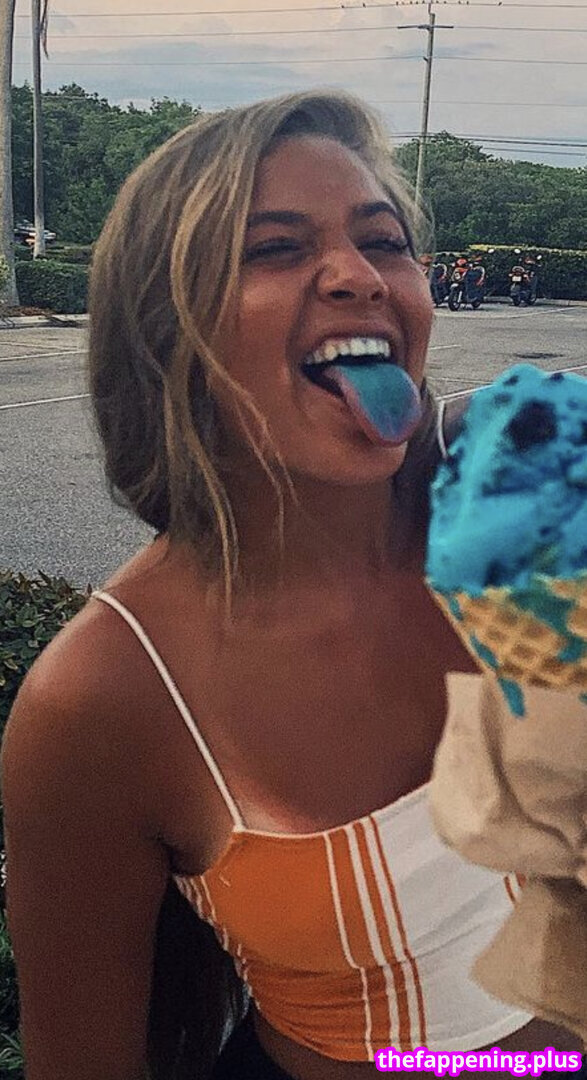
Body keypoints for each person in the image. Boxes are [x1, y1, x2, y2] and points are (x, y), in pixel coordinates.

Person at [1, 90, 581, 1080]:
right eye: (275, 249)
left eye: (385, 242)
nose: (359, 275)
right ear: (166, 331)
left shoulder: (531, 473)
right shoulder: (102, 700)